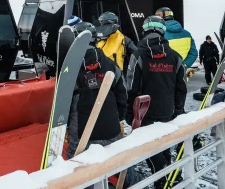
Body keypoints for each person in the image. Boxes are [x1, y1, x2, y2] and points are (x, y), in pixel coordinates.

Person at [127, 16, 187, 189]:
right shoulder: (175, 56)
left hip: (144, 112)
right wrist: (178, 110)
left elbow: (130, 86)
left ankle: (163, 177)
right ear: (162, 31)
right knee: (163, 143)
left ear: (144, 30)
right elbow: (181, 87)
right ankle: (166, 174)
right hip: (167, 111)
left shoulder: (138, 55)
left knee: (148, 147)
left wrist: (129, 113)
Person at [67, 23, 128, 159]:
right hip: (110, 127)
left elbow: (64, 101)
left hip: (81, 132)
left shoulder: (70, 68)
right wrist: (121, 117)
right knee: (117, 162)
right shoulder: (111, 64)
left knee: (78, 165)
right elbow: (122, 94)